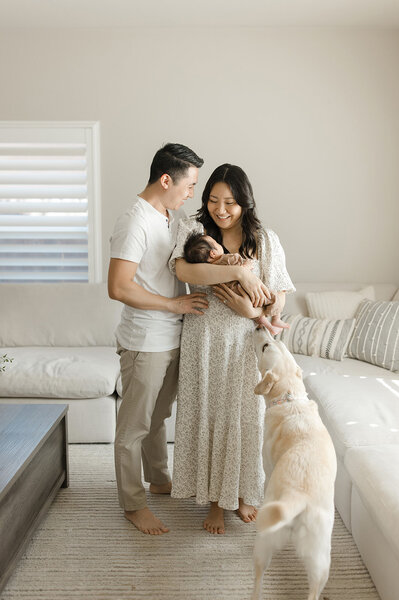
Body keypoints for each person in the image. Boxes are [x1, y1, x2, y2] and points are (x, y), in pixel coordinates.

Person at [169, 163, 295, 534]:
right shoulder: (193, 232)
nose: (220, 210)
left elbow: (280, 295)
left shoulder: (266, 239)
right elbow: (185, 273)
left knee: (245, 419)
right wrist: (240, 272)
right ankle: (213, 502)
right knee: (206, 414)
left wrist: (253, 310)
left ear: (245, 203)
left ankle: (241, 494)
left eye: (229, 202)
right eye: (212, 200)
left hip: (244, 343)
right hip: (203, 340)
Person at [108, 142, 209, 536]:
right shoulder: (134, 221)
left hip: (173, 336)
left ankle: (159, 479)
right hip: (144, 340)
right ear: (165, 179)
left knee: (158, 417)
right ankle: (133, 504)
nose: (191, 194)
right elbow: (118, 286)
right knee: (132, 428)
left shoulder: (171, 215)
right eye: (189, 185)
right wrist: (173, 305)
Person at [183, 231, 290, 334]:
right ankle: (276, 319)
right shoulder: (228, 259)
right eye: (216, 243)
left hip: (234, 297)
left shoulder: (208, 271)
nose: (219, 244)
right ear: (212, 253)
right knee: (273, 297)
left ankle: (268, 325)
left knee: (258, 317)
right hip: (246, 291)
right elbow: (241, 269)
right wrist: (247, 265)